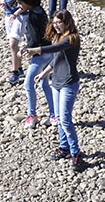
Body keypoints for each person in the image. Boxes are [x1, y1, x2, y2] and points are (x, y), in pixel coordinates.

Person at [24, 9, 84, 172]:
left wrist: (35, 50)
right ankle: (64, 148)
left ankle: (76, 153)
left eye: (60, 23)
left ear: (67, 23)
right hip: (56, 82)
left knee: (65, 119)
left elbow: (54, 49)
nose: (56, 25)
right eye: (54, 22)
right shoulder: (58, 37)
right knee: (58, 117)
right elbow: (56, 59)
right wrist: (43, 74)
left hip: (69, 82)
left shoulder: (72, 38)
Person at [9, 0, 56, 129]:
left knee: (28, 84)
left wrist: (25, 50)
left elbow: (34, 38)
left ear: (27, 2)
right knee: (44, 84)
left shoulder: (31, 17)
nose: (19, 6)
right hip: (49, 51)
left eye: (20, 3)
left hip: (39, 54)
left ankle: (32, 115)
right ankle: (54, 115)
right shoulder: (39, 10)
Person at [0, 0, 30, 84]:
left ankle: (14, 72)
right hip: (8, 15)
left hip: (21, 15)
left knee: (13, 43)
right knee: (14, 44)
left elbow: (28, 2)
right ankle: (20, 68)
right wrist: (2, 1)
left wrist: (16, 13)